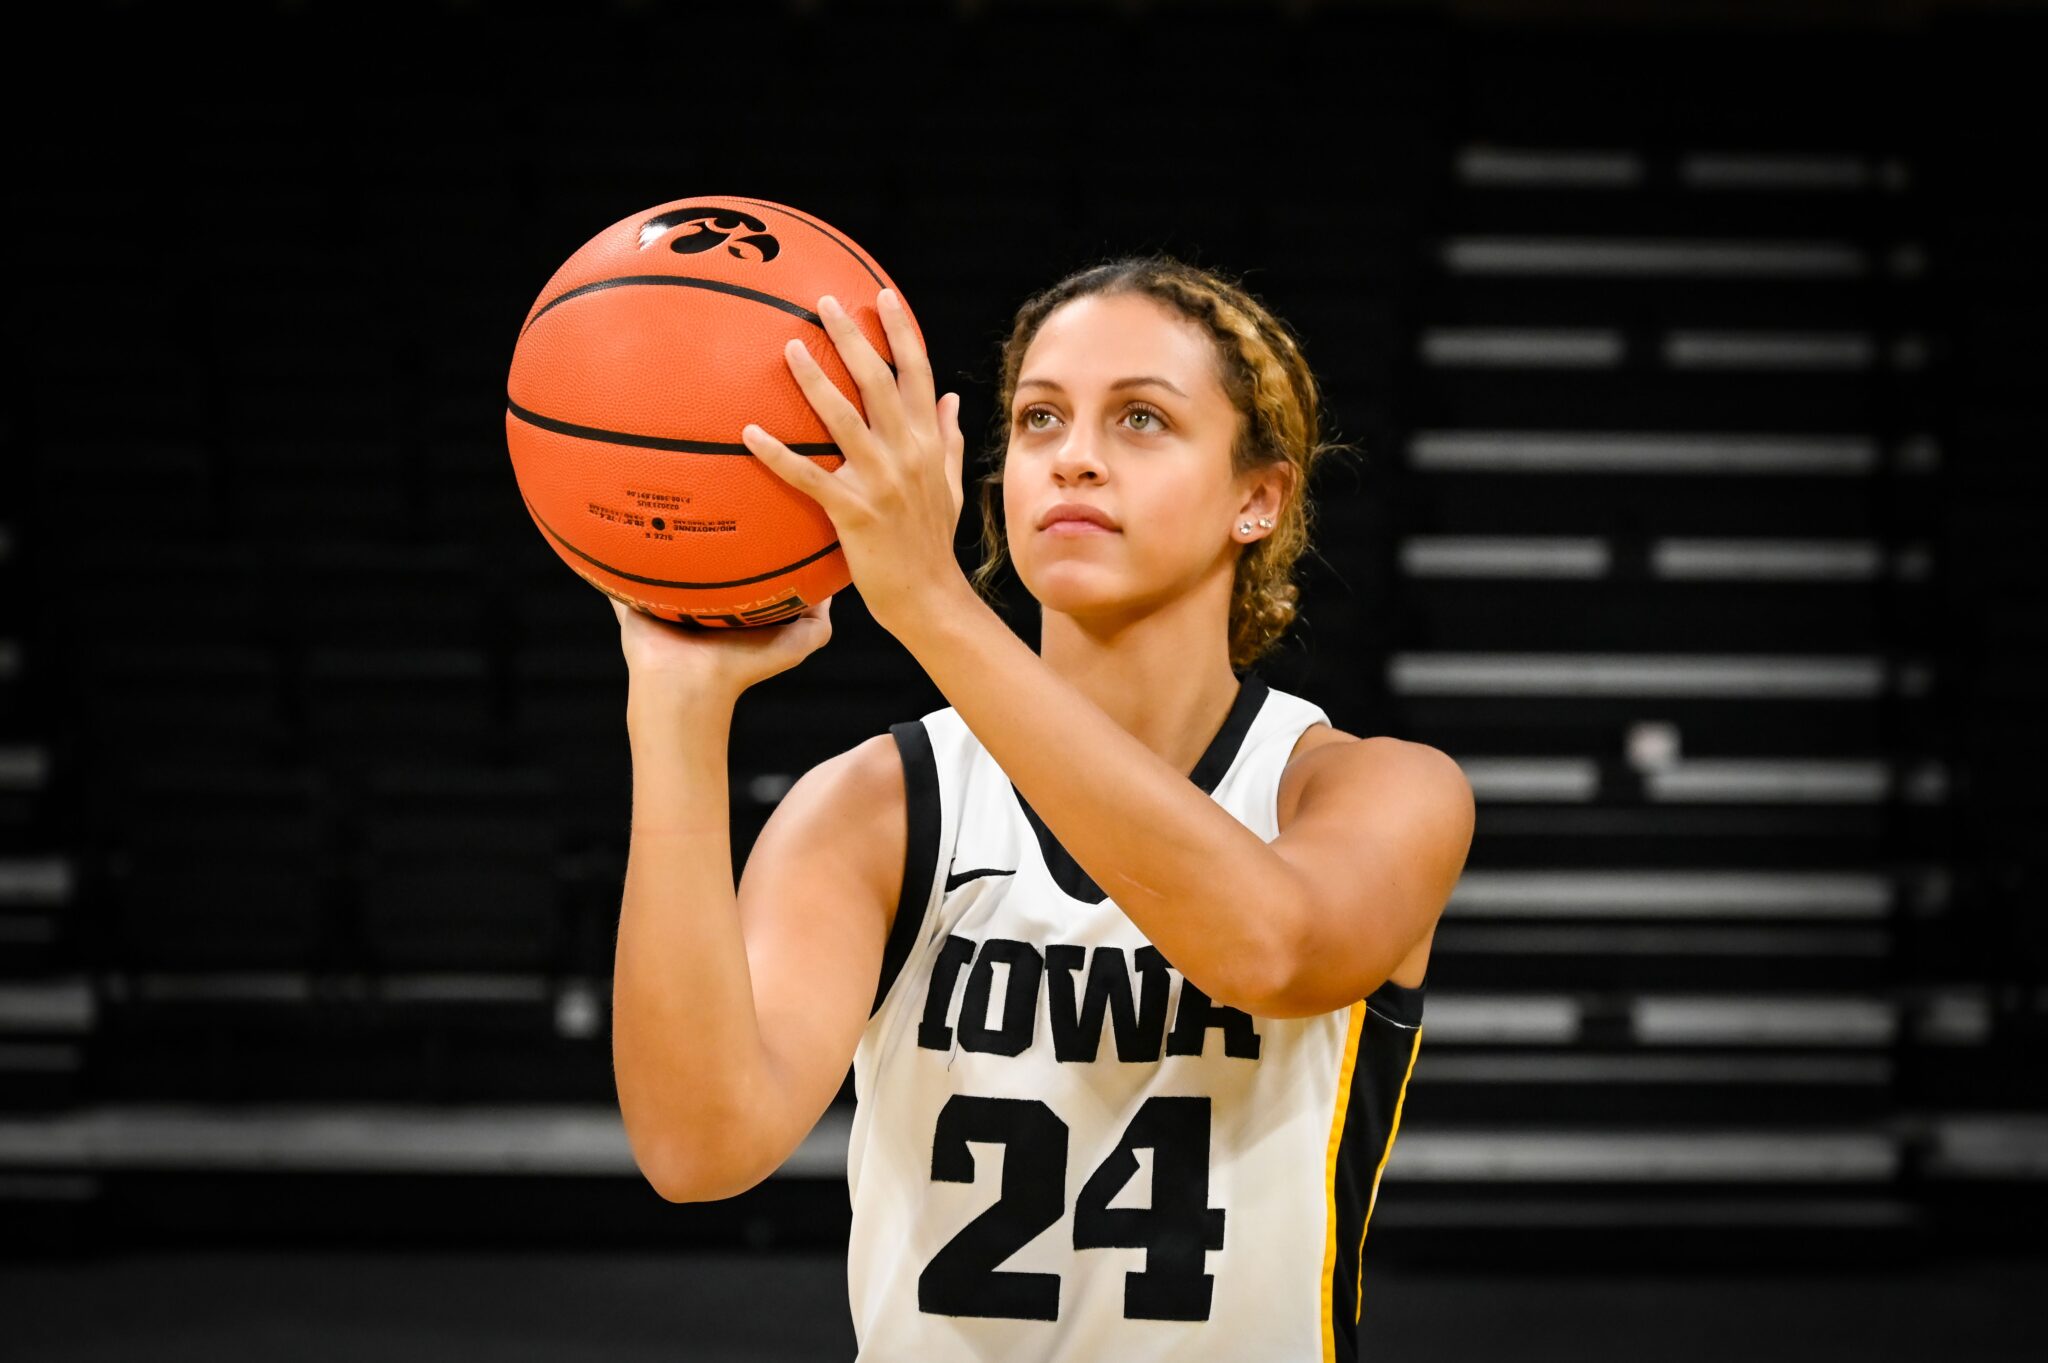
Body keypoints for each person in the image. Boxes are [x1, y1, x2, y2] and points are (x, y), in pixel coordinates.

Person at [608, 254, 1474, 1362]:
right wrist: (676, 715)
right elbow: (697, 1147)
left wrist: (929, 605)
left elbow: (1268, 948)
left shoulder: (1368, 788)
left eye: (1141, 421)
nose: (1073, 457)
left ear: (1257, 497)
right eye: (1037, 419)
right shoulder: (877, 805)